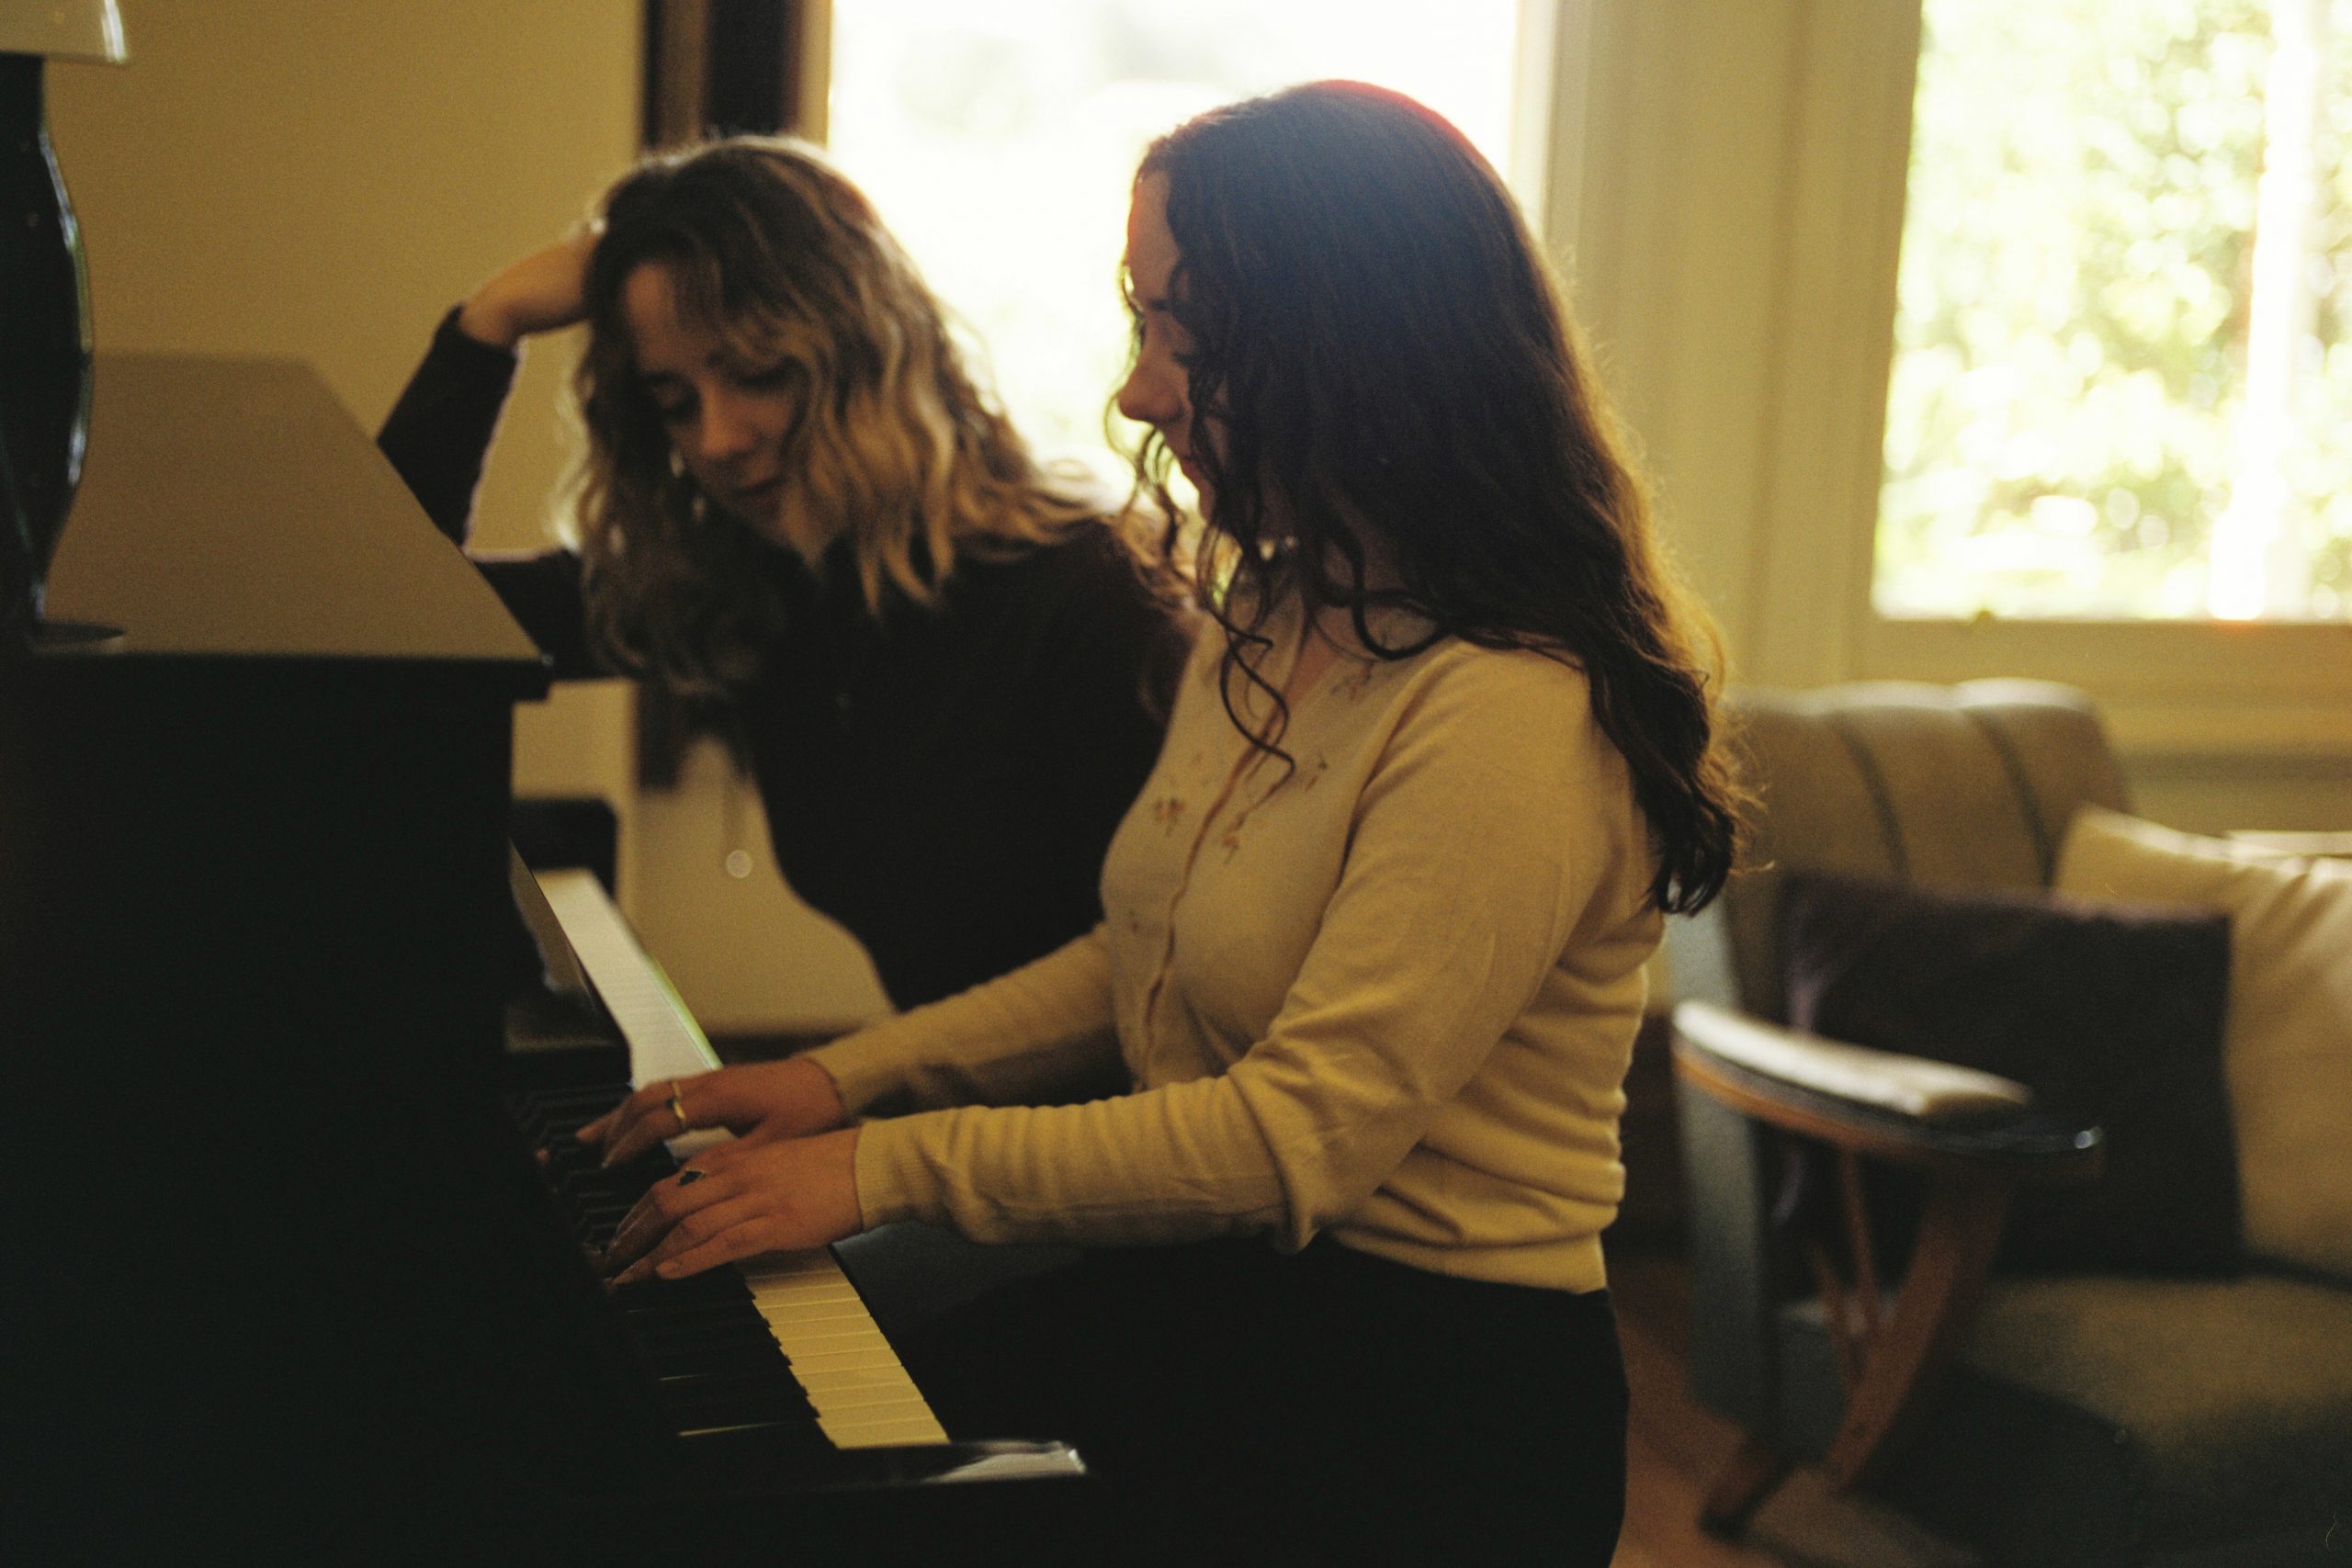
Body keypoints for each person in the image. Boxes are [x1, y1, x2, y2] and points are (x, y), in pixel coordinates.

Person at [582, 82, 1744, 1565]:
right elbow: (1132, 952)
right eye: (1143, 323)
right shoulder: (1276, 607)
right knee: (725, 1420)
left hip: (1425, 1406)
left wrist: (881, 1163)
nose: (1138, 390)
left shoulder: (1516, 707)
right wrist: (834, 1080)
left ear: (1345, 337)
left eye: (1181, 329)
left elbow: (1290, 1141)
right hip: (1229, 1303)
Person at [378, 137, 1188, 1011]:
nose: (719, 441)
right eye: (675, 402)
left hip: (1106, 1131)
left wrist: (850, 1100)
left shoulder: (1088, 589)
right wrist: (486, 325)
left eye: (758, 375)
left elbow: (1160, 982)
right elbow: (391, 617)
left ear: (871, 345)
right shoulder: (756, 587)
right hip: (946, 1117)